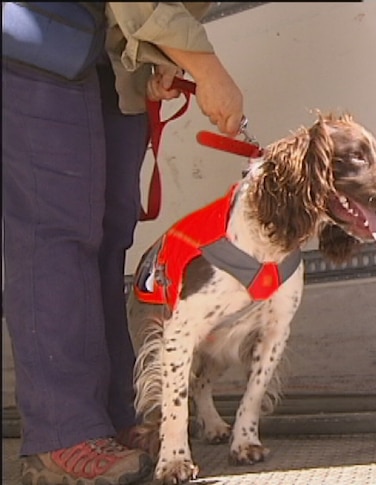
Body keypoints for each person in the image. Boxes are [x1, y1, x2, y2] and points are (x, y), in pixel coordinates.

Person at [2, 3, 244, 484]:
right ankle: (62, 433)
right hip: (40, 37)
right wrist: (206, 66)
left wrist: (159, 58)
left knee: (107, 240)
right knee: (56, 236)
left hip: (108, 58)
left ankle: (109, 417)